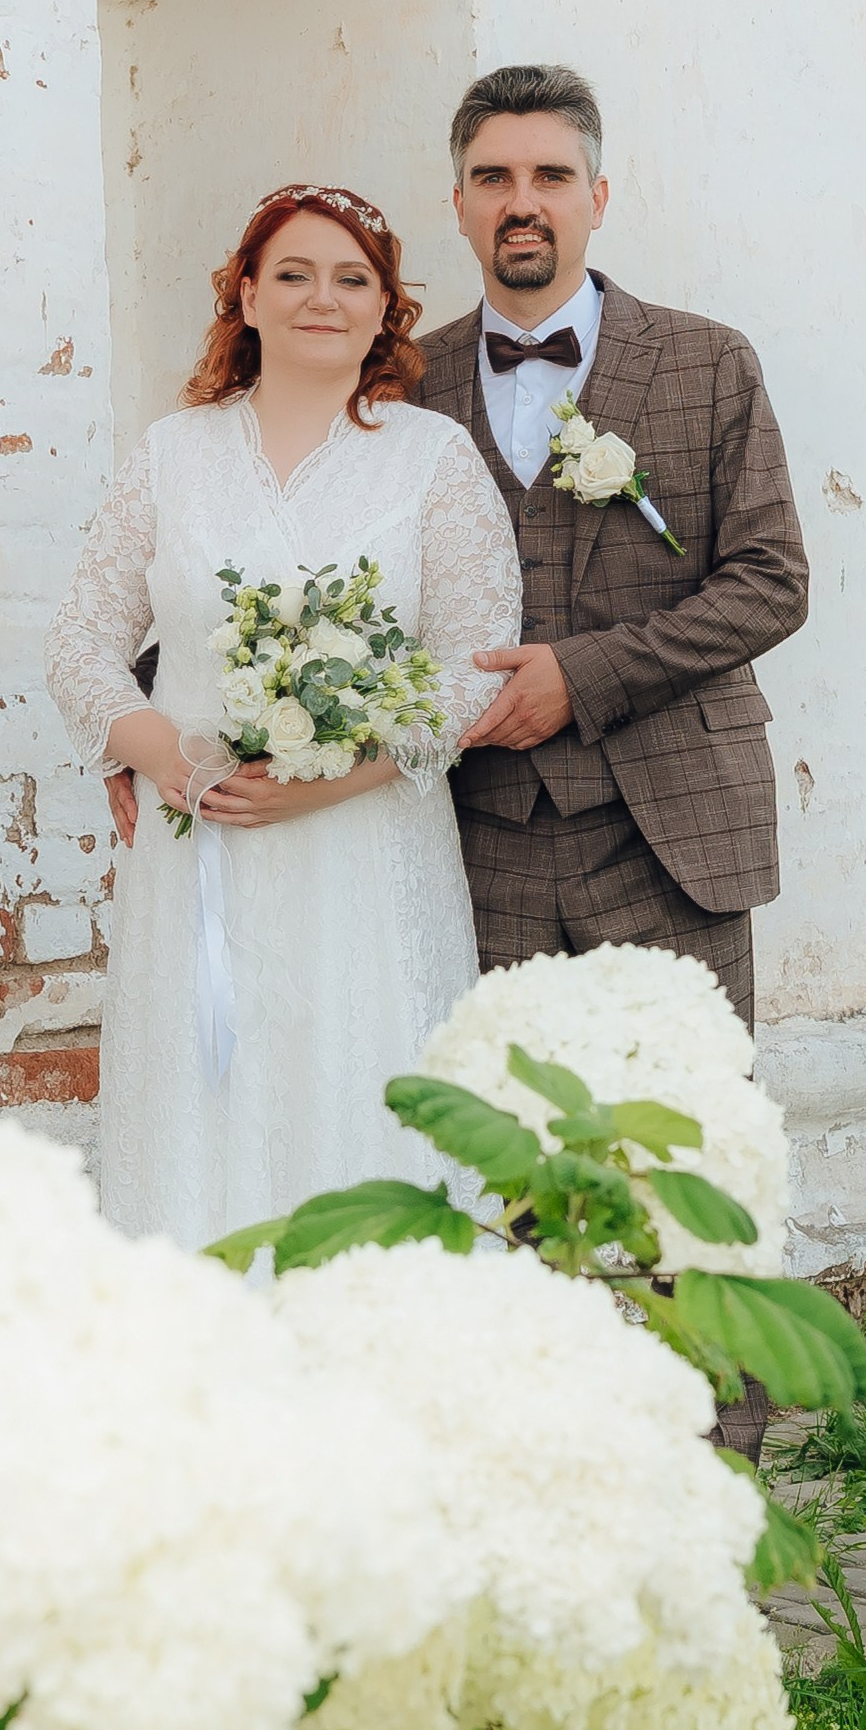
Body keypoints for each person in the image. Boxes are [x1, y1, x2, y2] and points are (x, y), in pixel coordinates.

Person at [47, 185, 521, 1250]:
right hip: (197, 847)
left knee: (359, 1090)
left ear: (384, 308)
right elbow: (78, 640)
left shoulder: (433, 458)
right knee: (203, 1111)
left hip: (366, 848)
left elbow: (473, 668)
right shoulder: (171, 454)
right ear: (247, 295)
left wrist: (334, 778)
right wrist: (165, 756)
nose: (323, 297)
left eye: (352, 278)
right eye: (294, 274)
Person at [415, 62, 808, 1034]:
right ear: (458, 204)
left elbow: (770, 583)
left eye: (550, 176)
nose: (522, 202)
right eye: (494, 177)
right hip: (473, 837)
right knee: (499, 1118)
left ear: (595, 199)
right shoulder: (404, 384)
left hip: (670, 829)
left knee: (681, 1116)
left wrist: (582, 676)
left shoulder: (708, 361)